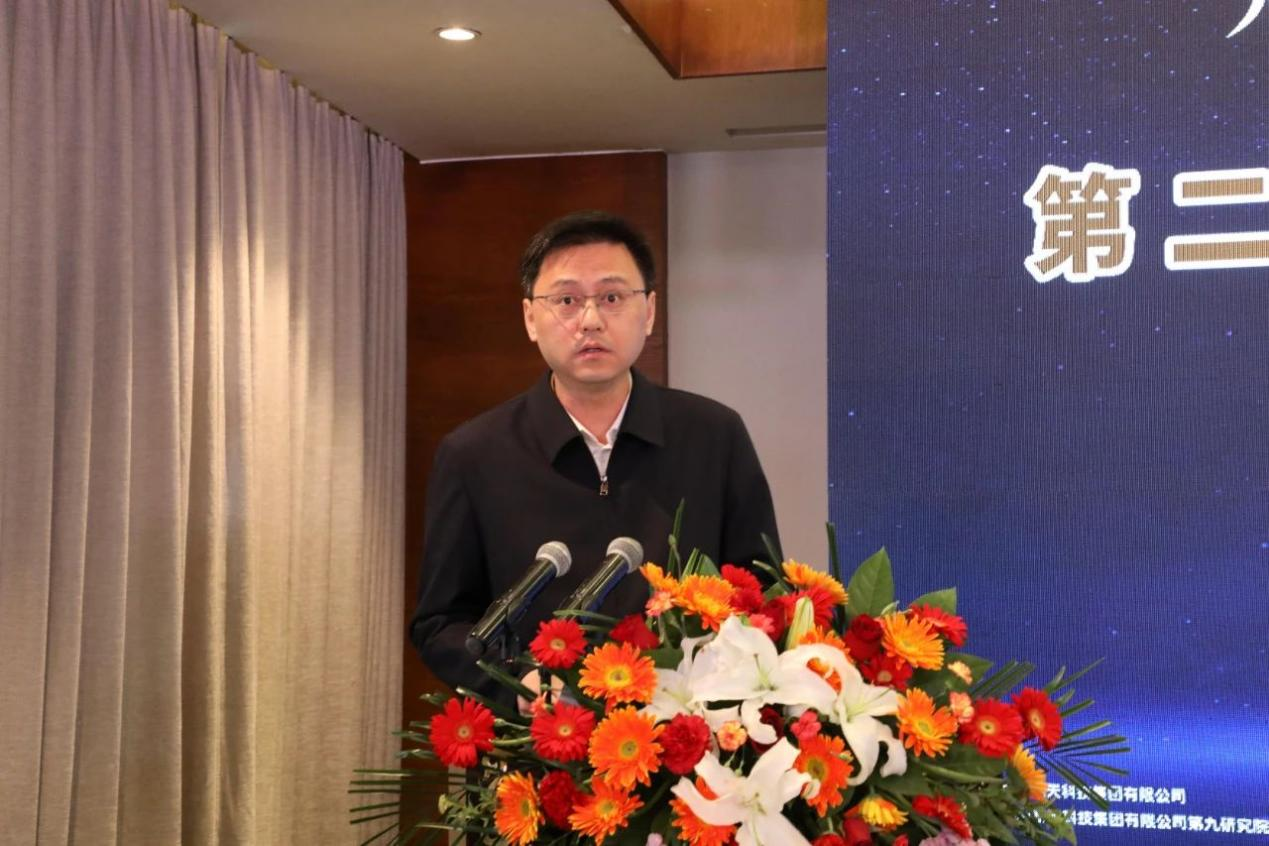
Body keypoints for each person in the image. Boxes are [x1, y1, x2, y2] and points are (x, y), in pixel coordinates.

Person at [409, 210, 778, 697]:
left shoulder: (714, 435)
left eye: (611, 297)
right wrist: (516, 683)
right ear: (530, 318)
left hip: (685, 726)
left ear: (649, 312)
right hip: (541, 732)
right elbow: (441, 624)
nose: (590, 320)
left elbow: (761, 592)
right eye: (566, 300)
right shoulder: (474, 454)